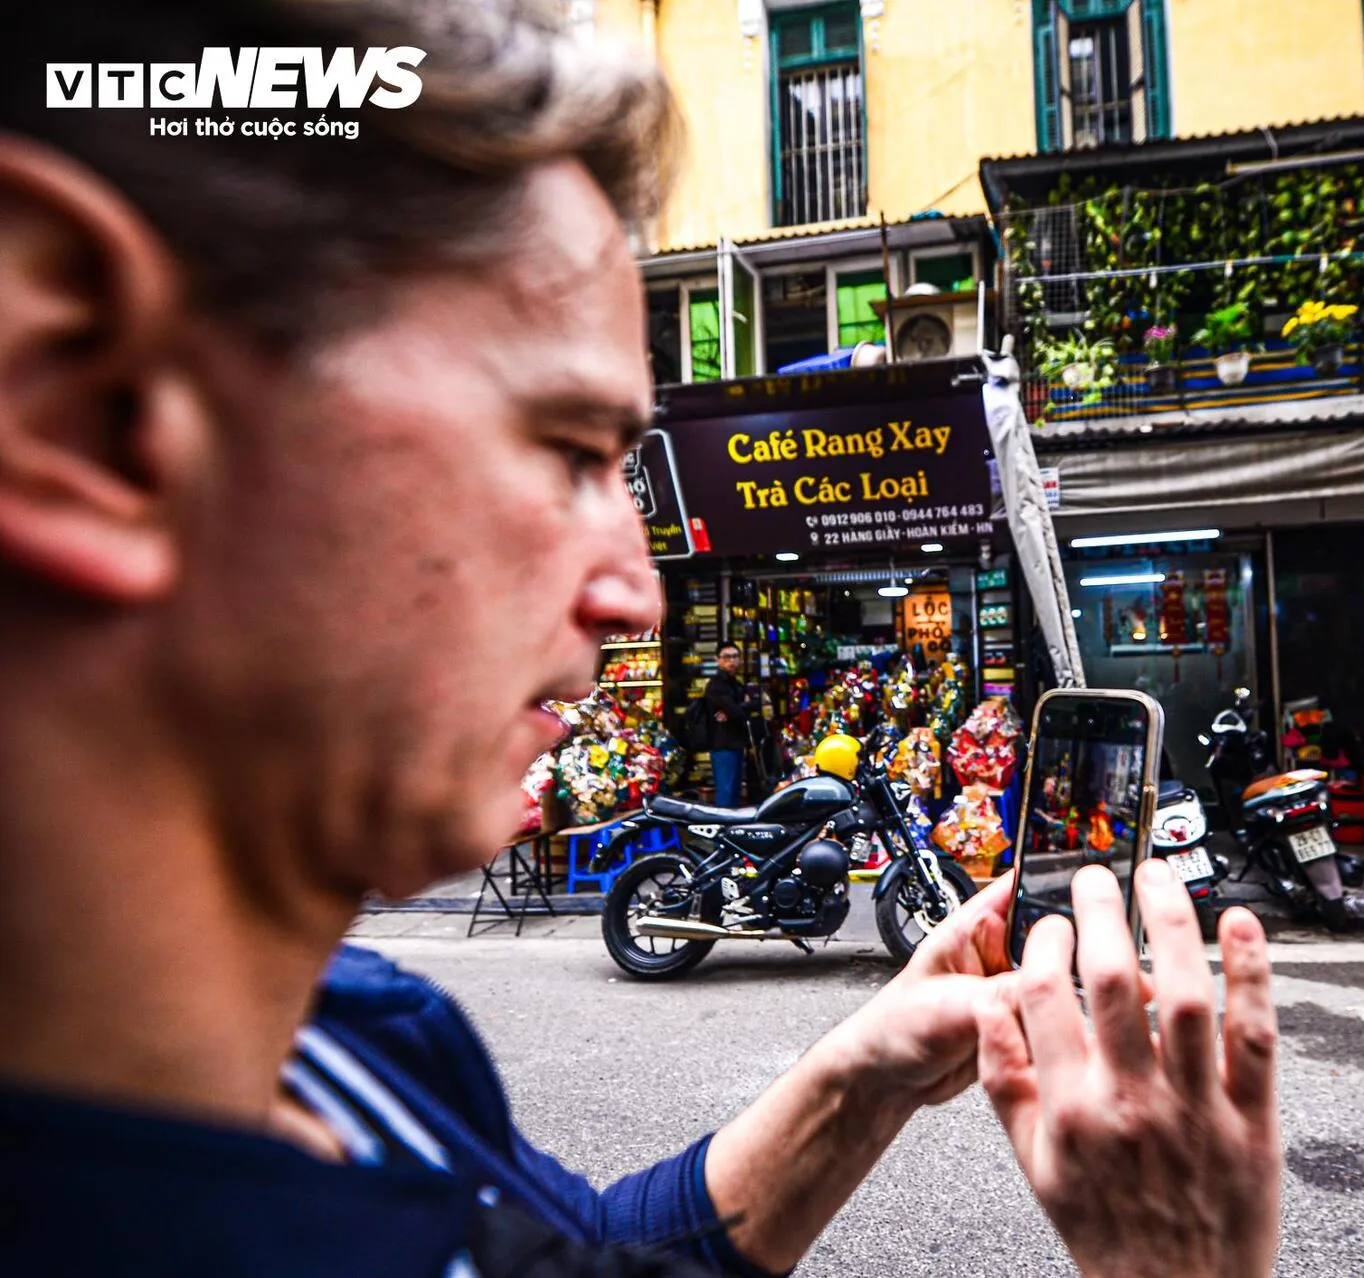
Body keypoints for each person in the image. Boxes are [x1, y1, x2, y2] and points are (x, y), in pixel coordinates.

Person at [0, 2, 1282, 1275]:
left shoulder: (362, 1037)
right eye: (566, 452)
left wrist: (865, 1074)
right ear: (89, 409)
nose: (638, 597)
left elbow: (583, 1254)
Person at [702, 642, 755, 808]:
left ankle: (731, 821)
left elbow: (742, 708)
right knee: (726, 791)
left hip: (735, 741)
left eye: (734, 657)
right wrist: (743, 705)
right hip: (723, 743)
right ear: (717, 660)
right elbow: (736, 710)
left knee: (734, 791)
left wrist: (738, 708)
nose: (731, 661)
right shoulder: (716, 685)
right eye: (726, 657)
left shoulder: (735, 683)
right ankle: (723, 822)